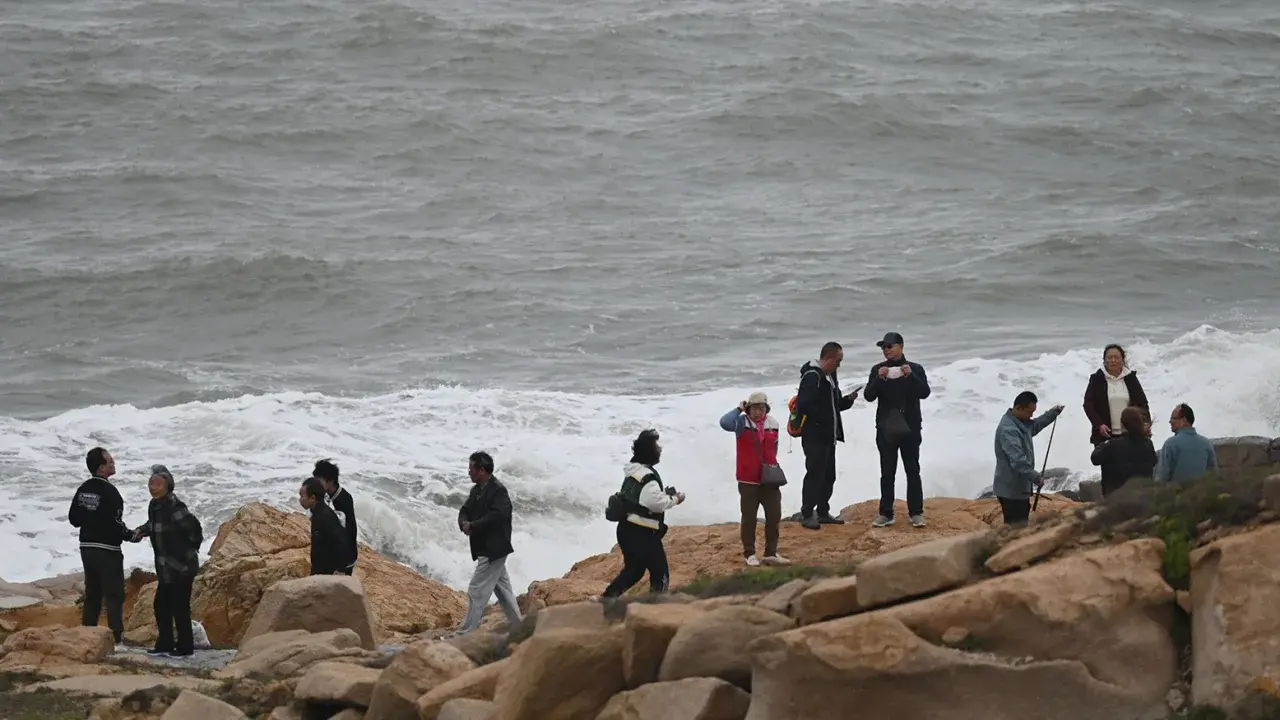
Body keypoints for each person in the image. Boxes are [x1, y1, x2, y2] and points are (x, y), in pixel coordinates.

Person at [68, 447, 138, 645]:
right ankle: (116, 639)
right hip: (108, 550)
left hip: (87, 548)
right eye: (109, 461)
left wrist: (91, 518)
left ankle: (87, 635)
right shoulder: (111, 492)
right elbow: (115, 524)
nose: (113, 462)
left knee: (93, 594)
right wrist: (131, 535)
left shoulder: (83, 489)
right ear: (100, 468)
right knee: (114, 594)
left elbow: (74, 519)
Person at [602, 429, 685, 597]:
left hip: (625, 529)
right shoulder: (648, 478)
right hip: (643, 533)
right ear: (649, 452)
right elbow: (656, 504)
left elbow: (643, 499)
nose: (660, 449)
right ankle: (656, 604)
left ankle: (606, 600)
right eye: (656, 446)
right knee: (660, 572)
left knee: (634, 571)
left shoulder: (632, 472)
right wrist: (675, 499)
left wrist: (663, 495)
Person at [132, 465, 203, 658]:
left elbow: (194, 528)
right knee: (161, 605)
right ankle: (165, 644)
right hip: (165, 568)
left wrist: (190, 548)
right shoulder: (154, 505)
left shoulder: (174, 505)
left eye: (158, 484)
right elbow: (152, 525)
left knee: (180, 607)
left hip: (182, 567)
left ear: (168, 486)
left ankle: (185, 648)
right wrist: (139, 532)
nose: (152, 487)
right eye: (151, 483)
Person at [864, 332, 932, 528]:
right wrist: (879, 379)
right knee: (887, 472)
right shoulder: (878, 369)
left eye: (890, 346)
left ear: (901, 346)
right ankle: (886, 513)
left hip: (910, 427)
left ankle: (916, 513)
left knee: (912, 469)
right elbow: (869, 396)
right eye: (883, 347)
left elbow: (924, 393)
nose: (886, 350)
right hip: (885, 428)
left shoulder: (915, 369)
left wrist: (909, 375)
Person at [456, 451, 523, 634]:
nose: (468, 472)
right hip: (486, 547)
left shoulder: (498, 490)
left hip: (494, 548)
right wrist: (463, 523)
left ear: (482, 470)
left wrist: (473, 526)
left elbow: (497, 516)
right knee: (504, 591)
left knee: (476, 590)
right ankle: (520, 628)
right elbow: (465, 510)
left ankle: (466, 634)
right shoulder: (476, 490)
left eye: (471, 468)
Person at [794, 342, 859, 531]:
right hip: (814, 435)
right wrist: (821, 420)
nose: (839, 365)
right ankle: (807, 513)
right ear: (828, 358)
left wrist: (848, 400)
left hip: (829, 436)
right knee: (815, 473)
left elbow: (835, 404)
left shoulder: (830, 377)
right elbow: (804, 404)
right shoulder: (812, 376)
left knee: (828, 475)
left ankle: (823, 511)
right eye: (838, 361)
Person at [719, 392, 789, 567]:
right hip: (747, 479)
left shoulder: (773, 423)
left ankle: (771, 552)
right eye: (755, 407)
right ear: (748, 408)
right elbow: (724, 423)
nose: (759, 411)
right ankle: (749, 553)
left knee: (774, 516)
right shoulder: (741, 422)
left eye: (762, 407)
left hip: (769, 478)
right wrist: (739, 409)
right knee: (749, 517)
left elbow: (775, 447)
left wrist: (771, 468)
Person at [993, 391, 1064, 527]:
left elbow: (1035, 426)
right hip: (1011, 491)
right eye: (1030, 412)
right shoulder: (1008, 430)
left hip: (1019, 489)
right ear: (1019, 408)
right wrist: (1036, 478)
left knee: (1020, 524)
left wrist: (1053, 413)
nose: (1032, 415)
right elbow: (1018, 461)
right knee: (1015, 529)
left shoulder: (1020, 422)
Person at [1082, 344, 1150, 446]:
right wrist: (1099, 424)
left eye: (1116, 357)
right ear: (1104, 360)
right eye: (1109, 358)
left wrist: (1146, 425)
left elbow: (1142, 404)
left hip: (1130, 433)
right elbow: (1088, 404)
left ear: (1122, 360)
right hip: (1105, 434)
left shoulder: (1130, 378)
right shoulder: (1097, 379)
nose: (1113, 360)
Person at [1089, 406, 1158, 497]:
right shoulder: (1148, 443)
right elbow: (1153, 461)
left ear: (1122, 423)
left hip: (1117, 499)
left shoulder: (1113, 445)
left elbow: (1095, 458)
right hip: (1144, 497)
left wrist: (1104, 443)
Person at [299, 477, 352, 576]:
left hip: (327, 572)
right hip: (319, 569)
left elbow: (342, 541)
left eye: (302, 496)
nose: (300, 500)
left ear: (312, 498)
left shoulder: (325, 516)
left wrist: (340, 569)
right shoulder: (317, 513)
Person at [314, 459, 358, 576]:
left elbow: (348, 532)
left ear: (330, 480)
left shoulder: (343, 500)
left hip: (344, 558)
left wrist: (341, 566)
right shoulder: (328, 496)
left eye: (319, 480)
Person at [1155, 403, 1218, 484]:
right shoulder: (1206, 443)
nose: (1170, 421)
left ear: (1183, 420)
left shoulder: (1170, 444)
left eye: (1173, 418)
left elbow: (1162, 476)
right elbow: (1213, 473)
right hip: (1201, 494)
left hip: (1177, 494)